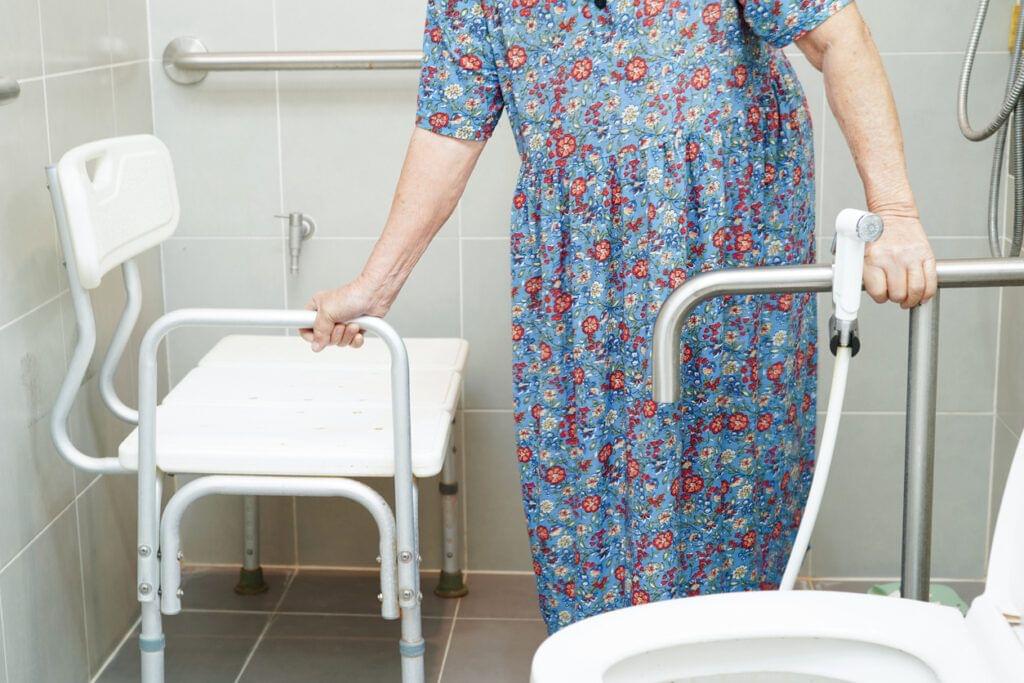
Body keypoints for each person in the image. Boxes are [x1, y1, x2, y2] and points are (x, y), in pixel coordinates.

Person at [300, 0, 936, 633]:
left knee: (733, 472)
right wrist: (375, 287)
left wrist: (897, 214)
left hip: (727, 239)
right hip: (581, 275)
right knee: (587, 486)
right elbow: (450, 125)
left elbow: (838, 39)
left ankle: (732, 659)